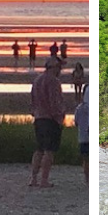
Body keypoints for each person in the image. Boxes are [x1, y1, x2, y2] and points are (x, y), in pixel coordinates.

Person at [29, 56, 66, 188]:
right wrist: (59, 117)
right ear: (53, 67)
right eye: (59, 67)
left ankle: (33, 179)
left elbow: (32, 100)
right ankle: (44, 180)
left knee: (39, 149)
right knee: (49, 150)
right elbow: (54, 101)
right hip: (50, 119)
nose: (60, 70)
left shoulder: (37, 80)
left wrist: (34, 112)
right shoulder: (53, 81)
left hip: (39, 118)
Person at [75, 84, 89, 185]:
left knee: (86, 159)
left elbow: (76, 122)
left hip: (83, 137)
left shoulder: (79, 108)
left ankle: (87, 179)